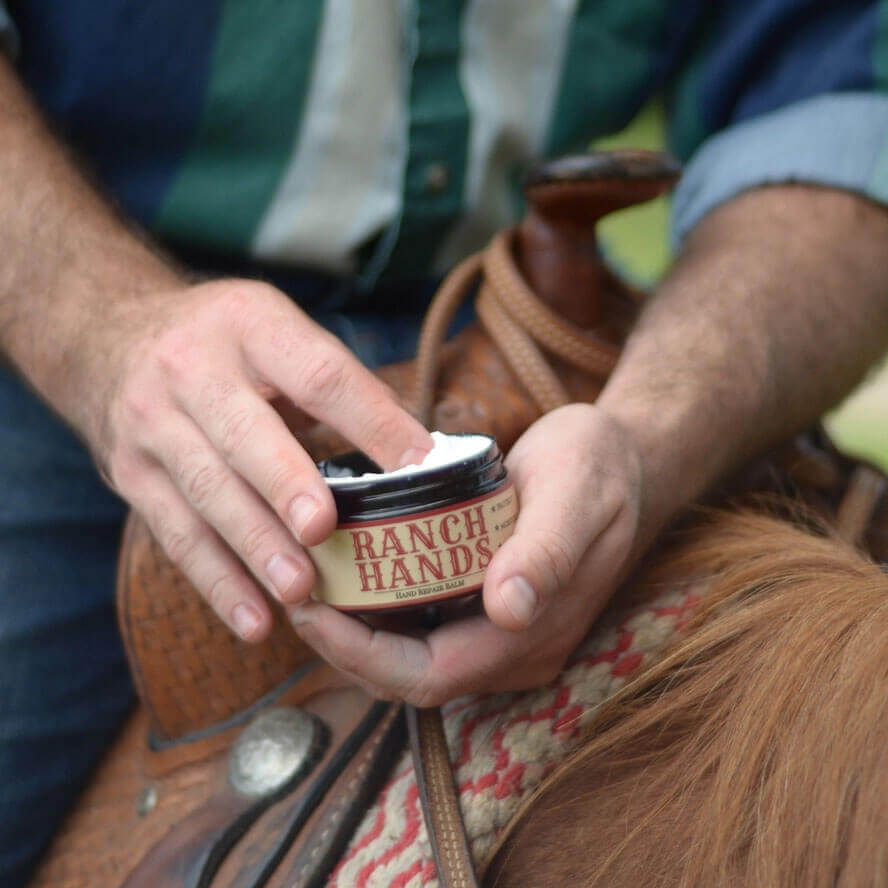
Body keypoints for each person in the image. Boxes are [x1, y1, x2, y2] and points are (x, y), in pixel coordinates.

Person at [3, 2, 888, 884]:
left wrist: (652, 436)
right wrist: (105, 331)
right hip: (76, 316)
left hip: (554, 333)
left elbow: (843, 103)